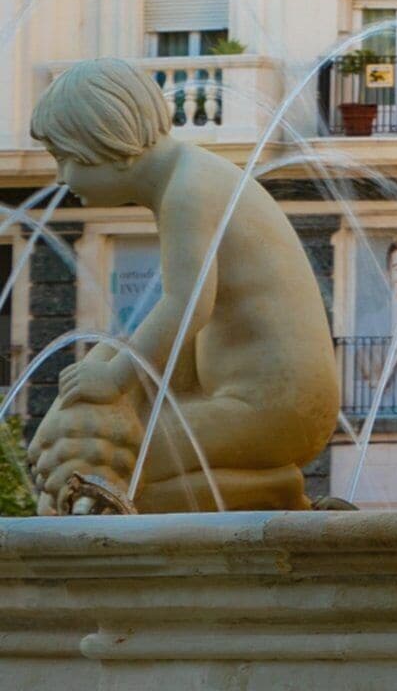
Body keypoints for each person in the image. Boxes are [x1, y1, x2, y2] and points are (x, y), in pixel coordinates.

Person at [24, 58, 334, 512]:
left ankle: (277, 493)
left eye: (66, 158)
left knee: (118, 480)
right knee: (104, 446)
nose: (61, 178)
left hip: (276, 409)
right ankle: (269, 487)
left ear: (111, 142)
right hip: (253, 398)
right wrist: (111, 369)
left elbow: (188, 305)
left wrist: (113, 377)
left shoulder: (189, 190)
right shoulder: (189, 177)